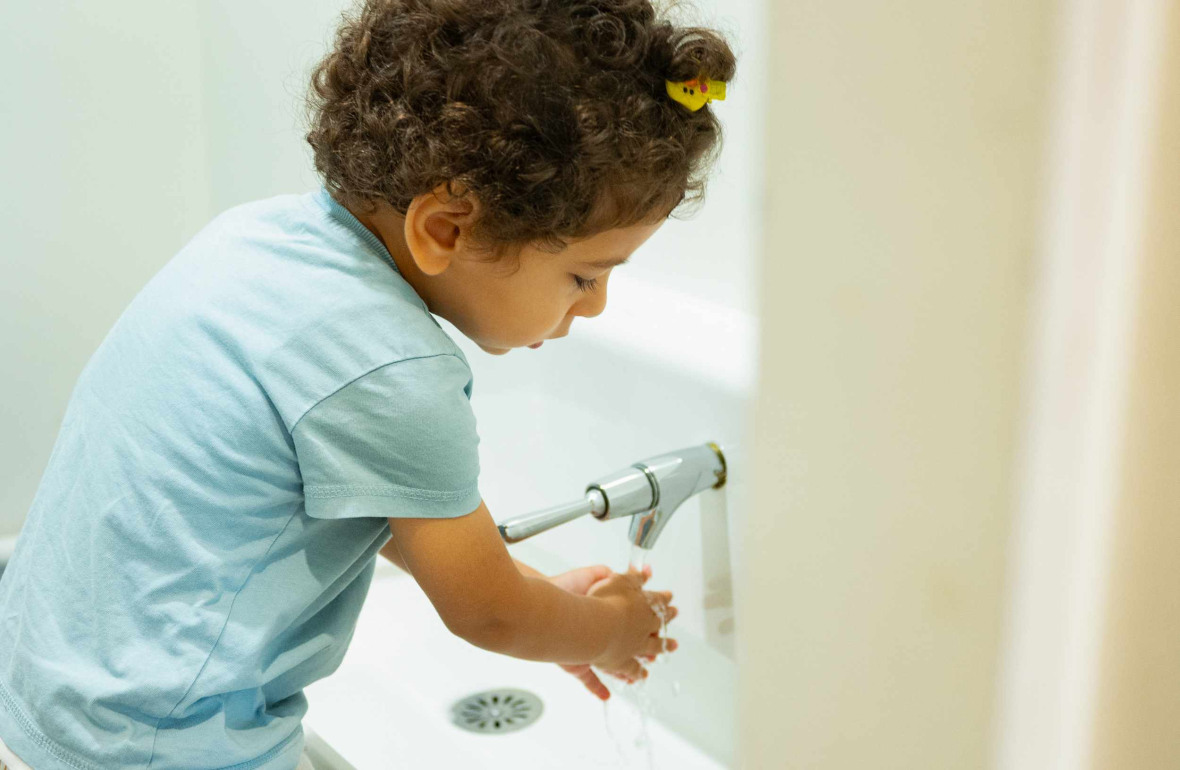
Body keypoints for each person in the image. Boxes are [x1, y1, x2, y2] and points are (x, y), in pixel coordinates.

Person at [0, 0, 736, 767]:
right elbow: (487, 614)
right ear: (445, 230)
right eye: (583, 275)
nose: (595, 306)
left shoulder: (259, 243)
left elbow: (386, 509)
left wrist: (546, 604)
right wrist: (609, 630)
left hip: (53, 704)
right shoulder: (393, 368)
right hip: (164, 747)